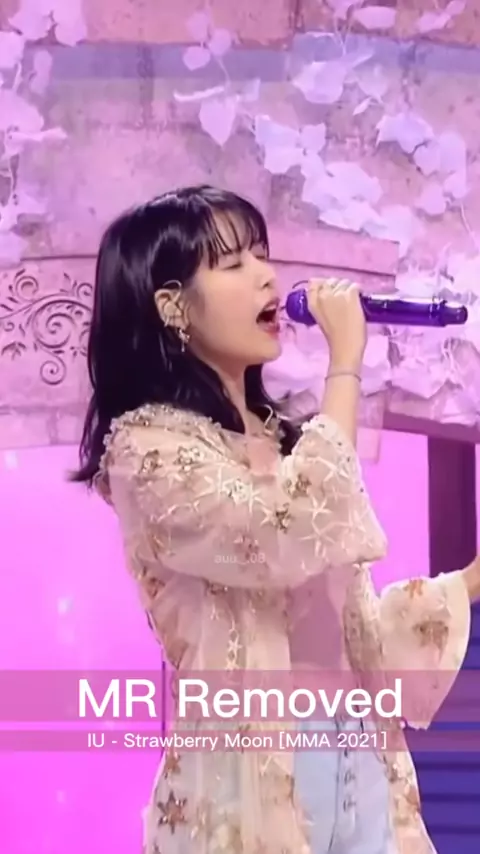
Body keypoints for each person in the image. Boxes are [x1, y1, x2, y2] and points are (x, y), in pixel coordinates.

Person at [73, 184, 480, 854]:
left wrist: (470, 580)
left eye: (262, 255)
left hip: (360, 760)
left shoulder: (292, 444)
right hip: (251, 781)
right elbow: (284, 532)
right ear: (172, 306)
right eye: (234, 264)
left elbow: (349, 638)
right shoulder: (148, 453)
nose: (267, 275)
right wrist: (344, 366)